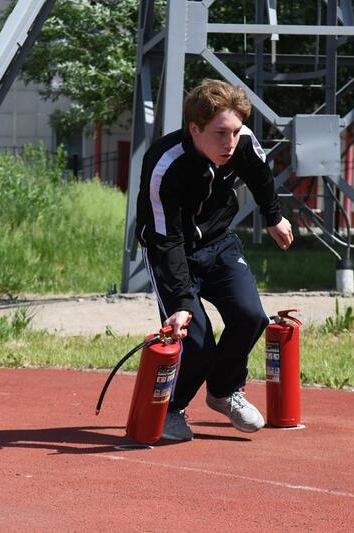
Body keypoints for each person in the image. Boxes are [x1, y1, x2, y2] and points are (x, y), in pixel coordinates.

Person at [135, 79, 293, 441]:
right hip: (171, 251)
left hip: (220, 243)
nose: (230, 142)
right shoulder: (165, 164)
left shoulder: (243, 143)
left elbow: (260, 176)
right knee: (197, 339)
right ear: (195, 129)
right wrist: (180, 303)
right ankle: (172, 409)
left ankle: (223, 392)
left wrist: (274, 218)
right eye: (221, 133)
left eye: (236, 131)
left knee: (251, 316)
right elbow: (167, 237)